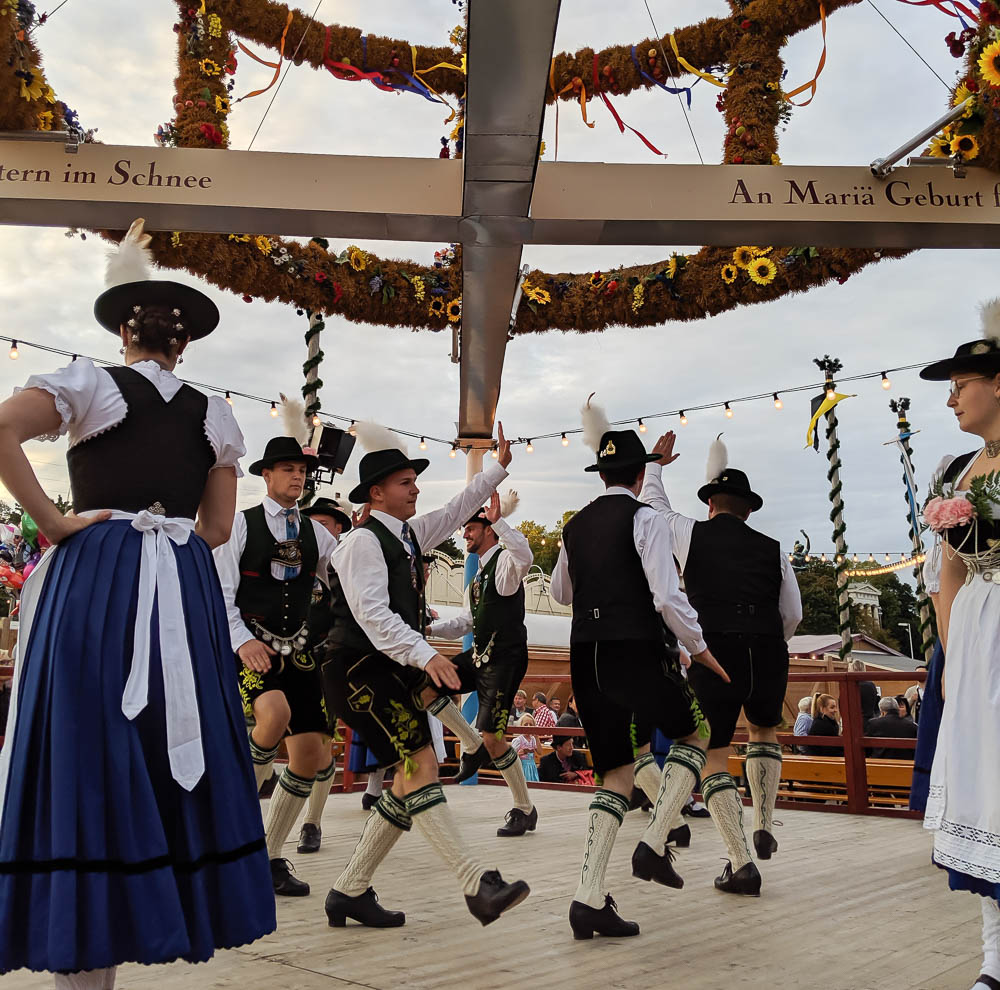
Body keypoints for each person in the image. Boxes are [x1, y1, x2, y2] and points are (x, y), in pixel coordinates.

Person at [0, 219, 275, 985]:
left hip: (99, 574)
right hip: (178, 582)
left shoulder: (85, 382)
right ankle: (163, 905)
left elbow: (0, 429)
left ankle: (80, 949)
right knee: (163, 751)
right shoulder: (214, 412)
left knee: (87, 750)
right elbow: (218, 529)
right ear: (183, 345)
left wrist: (53, 522)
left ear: (124, 332)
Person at [321, 422, 529, 929]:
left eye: (414, 481)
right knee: (420, 765)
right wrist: (424, 653)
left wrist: (497, 468)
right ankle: (475, 882)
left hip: (381, 667)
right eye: (404, 482)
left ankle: (349, 890)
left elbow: (458, 509)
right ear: (377, 493)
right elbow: (372, 614)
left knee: (409, 777)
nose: (415, 488)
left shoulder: (409, 535)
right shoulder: (360, 544)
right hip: (355, 669)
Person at [551, 398, 729, 940]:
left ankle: (589, 895)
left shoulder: (575, 525)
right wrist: (698, 648)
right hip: (633, 646)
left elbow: (561, 593)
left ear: (601, 473)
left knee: (616, 773)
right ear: (636, 474)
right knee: (695, 733)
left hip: (587, 651)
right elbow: (667, 595)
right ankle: (653, 842)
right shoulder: (644, 517)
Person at [641, 431, 802, 894]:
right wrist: (770, 640)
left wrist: (655, 464)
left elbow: (655, 509)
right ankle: (765, 820)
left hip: (716, 649)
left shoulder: (691, 532)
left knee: (712, 751)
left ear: (711, 504)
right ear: (748, 509)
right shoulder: (774, 549)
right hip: (768, 647)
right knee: (764, 729)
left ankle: (740, 859)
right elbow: (792, 613)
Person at [213, 436, 339, 896]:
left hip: (300, 649)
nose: (297, 476)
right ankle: (233, 819)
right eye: (287, 469)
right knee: (275, 714)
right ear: (266, 476)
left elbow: (344, 575)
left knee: (311, 755)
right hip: (252, 645)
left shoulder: (317, 533)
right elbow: (221, 593)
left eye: (302, 470)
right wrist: (242, 641)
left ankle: (267, 855)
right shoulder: (241, 526)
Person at [919, 305, 1000, 990]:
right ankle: (994, 963)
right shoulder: (961, 469)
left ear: (998, 384)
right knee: (982, 783)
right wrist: (950, 659)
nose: (951, 397)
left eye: (962, 382)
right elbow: (946, 567)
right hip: (976, 628)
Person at [427, 490, 538, 837]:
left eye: (471, 528)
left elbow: (525, 553)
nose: (465, 535)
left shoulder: (505, 563)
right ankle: (470, 743)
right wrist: (429, 628)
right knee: (425, 683)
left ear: (487, 528)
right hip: (479, 656)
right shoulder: (476, 579)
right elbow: (465, 622)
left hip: (505, 659)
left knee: (495, 739)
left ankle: (524, 808)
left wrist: (498, 519)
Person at [296, 496, 358, 853]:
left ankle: (312, 822)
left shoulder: (347, 570)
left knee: (321, 743)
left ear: (338, 530)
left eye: (325, 524)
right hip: (286, 662)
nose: (317, 531)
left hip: (326, 664)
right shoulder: (292, 567)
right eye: (312, 524)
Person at [511, 713, 540, 782]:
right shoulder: (518, 740)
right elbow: (511, 756)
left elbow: (540, 752)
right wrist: (518, 754)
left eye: (531, 725)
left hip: (532, 767)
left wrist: (536, 737)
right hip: (522, 766)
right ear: (521, 726)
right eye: (526, 724)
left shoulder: (533, 739)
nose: (528, 727)